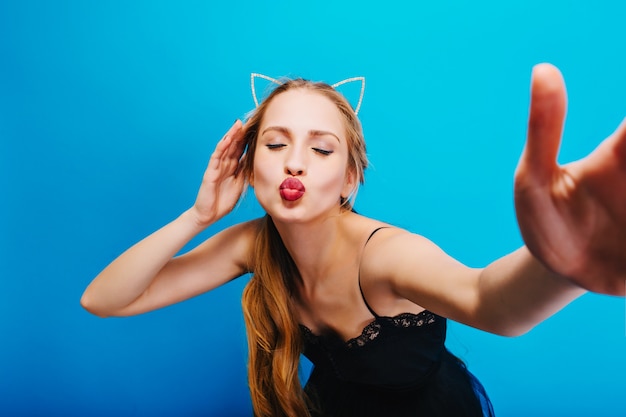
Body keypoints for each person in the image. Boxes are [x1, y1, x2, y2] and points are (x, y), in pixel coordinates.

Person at [80, 63, 626, 417]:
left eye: (321, 150)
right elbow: (104, 299)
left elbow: (491, 302)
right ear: (250, 167)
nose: (295, 161)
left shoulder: (385, 256)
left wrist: (560, 266)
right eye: (275, 144)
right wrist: (198, 215)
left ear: (349, 180)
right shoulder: (252, 244)